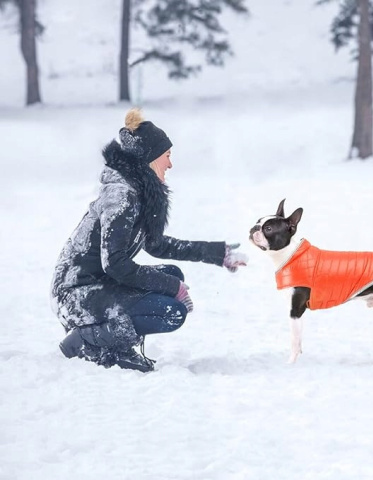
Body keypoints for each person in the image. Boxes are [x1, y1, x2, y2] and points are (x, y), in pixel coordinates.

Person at [51, 108, 248, 372]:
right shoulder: (121, 197)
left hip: (97, 285)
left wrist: (215, 253)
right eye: (167, 156)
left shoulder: (136, 192)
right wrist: (171, 286)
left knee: (172, 274)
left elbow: (156, 245)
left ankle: (110, 337)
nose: (170, 164)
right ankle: (88, 342)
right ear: (151, 158)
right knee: (171, 311)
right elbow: (115, 264)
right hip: (74, 294)